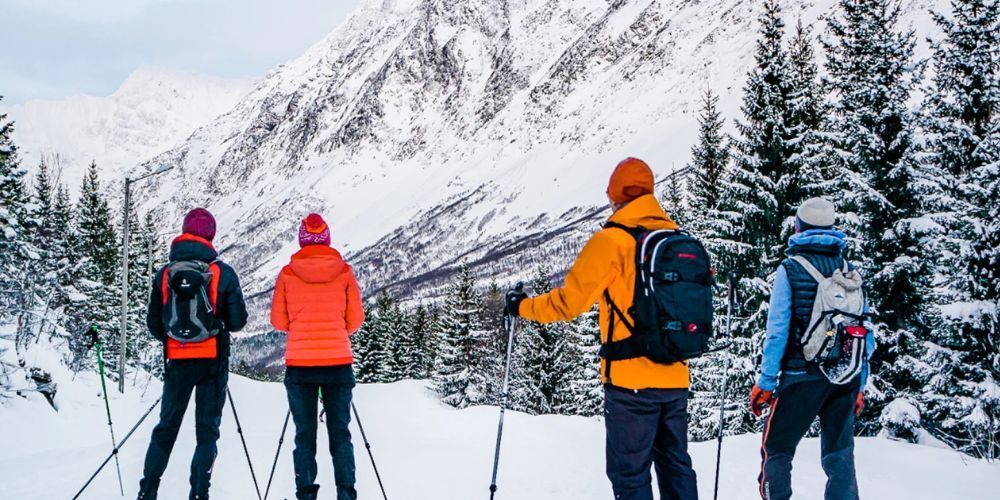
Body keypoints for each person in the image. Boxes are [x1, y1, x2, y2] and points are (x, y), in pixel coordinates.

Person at [506, 158, 698, 500]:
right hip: (676, 378)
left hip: (630, 385)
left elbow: (569, 303)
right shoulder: (676, 239)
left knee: (631, 476)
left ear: (616, 195)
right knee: (676, 467)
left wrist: (522, 307)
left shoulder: (613, 241)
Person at [749, 198, 875, 500]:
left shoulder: (790, 269)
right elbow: (864, 331)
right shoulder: (849, 271)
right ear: (831, 229)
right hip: (844, 378)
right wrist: (860, 383)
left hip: (800, 375)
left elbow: (777, 332)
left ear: (798, 228)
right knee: (839, 455)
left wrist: (766, 383)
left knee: (777, 449)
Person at [138, 208, 248, 500]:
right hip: (212, 361)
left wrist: (177, 338)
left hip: (178, 361)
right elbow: (238, 322)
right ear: (210, 235)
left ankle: (147, 491)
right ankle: (199, 493)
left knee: (166, 429)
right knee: (207, 432)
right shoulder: (221, 272)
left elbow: (154, 325)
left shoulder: (164, 274)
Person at [270, 213, 365, 500]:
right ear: (327, 238)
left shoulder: (288, 274)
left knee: (304, 436)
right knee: (341, 435)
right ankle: (346, 494)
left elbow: (279, 321)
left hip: (300, 366)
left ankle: (306, 494)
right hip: (338, 363)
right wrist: (335, 329)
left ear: (302, 240)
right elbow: (355, 321)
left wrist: (301, 326)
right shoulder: (344, 272)